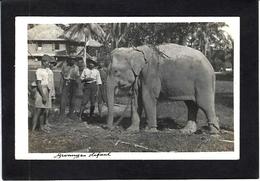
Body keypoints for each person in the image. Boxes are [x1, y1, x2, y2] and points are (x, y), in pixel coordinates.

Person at [31, 54, 54, 132]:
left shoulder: (47, 70)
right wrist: (43, 95)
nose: (48, 63)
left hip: (46, 89)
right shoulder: (39, 71)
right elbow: (38, 84)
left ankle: (41, 127)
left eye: (48, 61)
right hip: (41, 90)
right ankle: (33, 129)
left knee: (43, 110)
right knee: (38, 110)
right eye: (46, 62)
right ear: (43, 62)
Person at [59, 56, 80, 120]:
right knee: (63, 98)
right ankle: (62, 114)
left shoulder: (76, 67)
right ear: (68, 60)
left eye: (74, 59)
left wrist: (78, 86)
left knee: (73, 99)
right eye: (71, 59)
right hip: (66, 82)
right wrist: (60, 86)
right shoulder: (64, 66)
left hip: (73, 82)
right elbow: (62, 77)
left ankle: (71, 114)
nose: (72, 61)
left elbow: (77, 77)